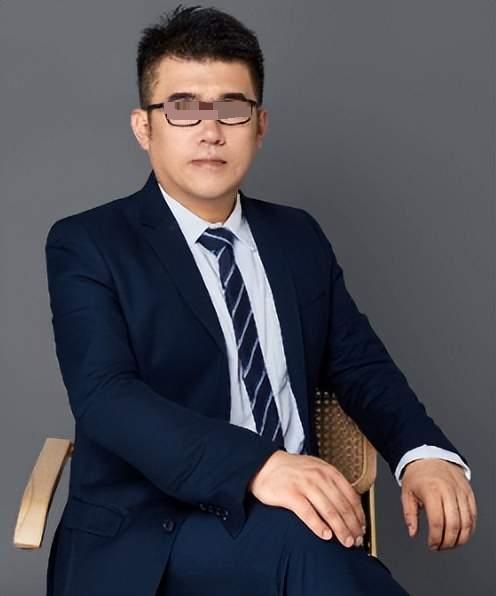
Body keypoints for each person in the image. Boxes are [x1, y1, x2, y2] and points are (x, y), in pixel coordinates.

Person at [44, 5, 477, 595]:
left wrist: (422, 454)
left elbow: (360, 365)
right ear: (144, 127)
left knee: (312, 549)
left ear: (260, 124)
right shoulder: (89, 242)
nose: (211, 131)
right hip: (154, 531)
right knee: (309, 550)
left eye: (232, 108)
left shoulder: (296, 237)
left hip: (297, 527)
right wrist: (258, 465)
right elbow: (106, 397)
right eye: (183, 108)